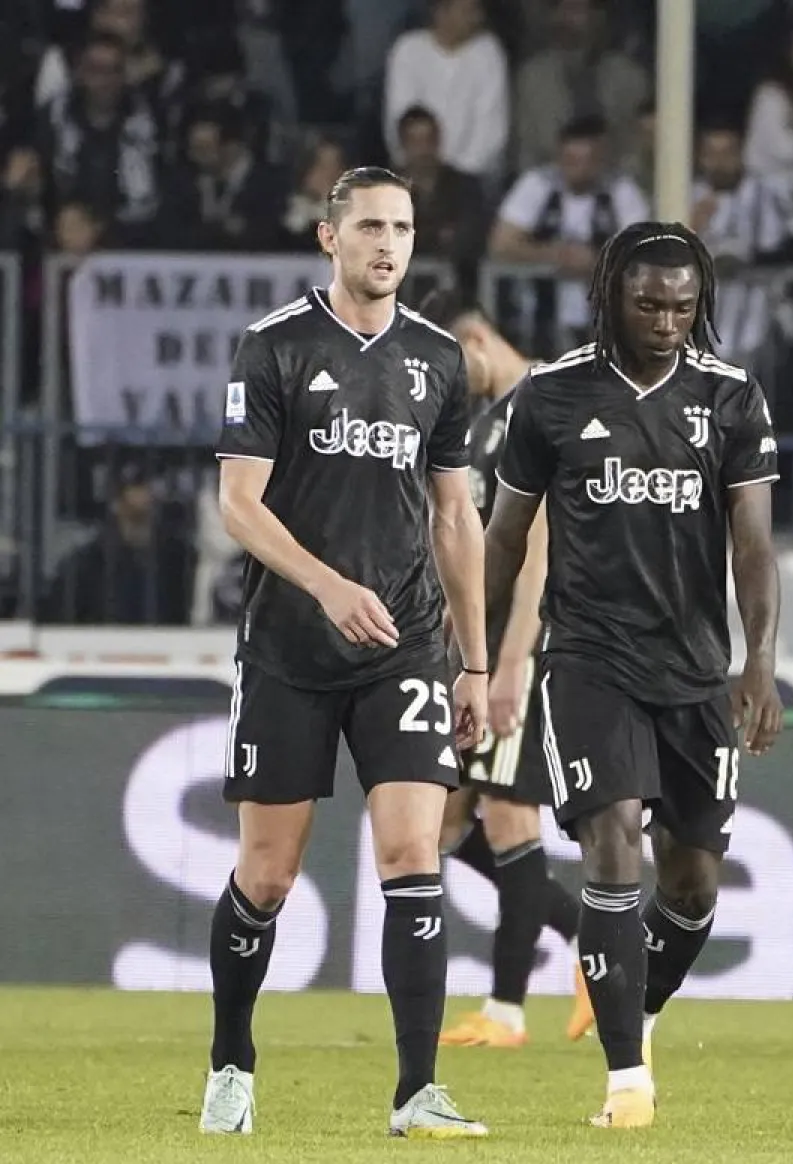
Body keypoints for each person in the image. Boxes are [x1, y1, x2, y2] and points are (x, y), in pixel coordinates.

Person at [202, 166, 490, 1138]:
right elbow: (239, 503)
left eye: (402, 227)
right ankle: (232, 1061)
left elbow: (456, 515)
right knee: (268, 877)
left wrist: (477, 662)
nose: (388, 244)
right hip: (289, 645)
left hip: (405, 644)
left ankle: (417, 1090)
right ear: (330, 238)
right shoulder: (273, 347)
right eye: (369, 225)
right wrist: (326, 584)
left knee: (413, 854)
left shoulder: (440, 360)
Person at [483, 221, 784, 1128]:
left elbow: (755, 543)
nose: (665, 321)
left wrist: (758, 661)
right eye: (648, 302)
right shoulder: (551, 395)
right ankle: (626, 1083)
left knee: (691, 886)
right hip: (587, 660)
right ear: (611, 292)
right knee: (611, 845)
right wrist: (467, 651)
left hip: (694, 673)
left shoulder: (731, 397)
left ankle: (636, 1013)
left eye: (684, 307)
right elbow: (502, 538)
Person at [414, 289, 594, 1048]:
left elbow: (539, 550)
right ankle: (599, 937)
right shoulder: (487, 419)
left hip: (528, 648)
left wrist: (515, 658)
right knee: (446, 824)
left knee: (509, 818)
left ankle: (508, 1012)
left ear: (478, 340)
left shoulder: (541, 404)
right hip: (477, 651)